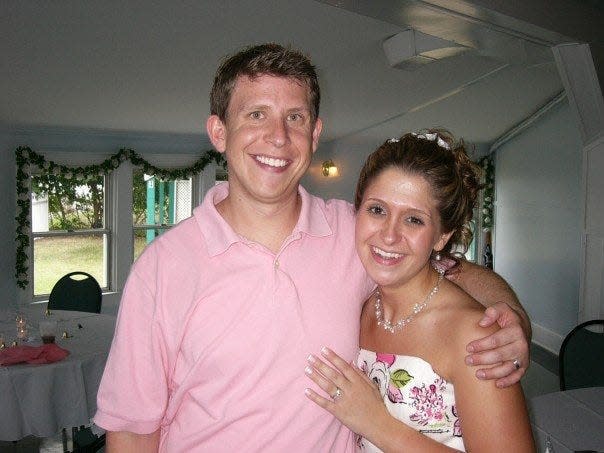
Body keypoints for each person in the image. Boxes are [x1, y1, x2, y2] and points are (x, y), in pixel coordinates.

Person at [94, 43, 530, 452]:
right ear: (219, 131)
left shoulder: (355, 234)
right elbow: (131, 429)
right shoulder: (162, 268)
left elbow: (442, 270)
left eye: (295, 118)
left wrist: (511, 322)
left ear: (316, 133)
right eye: (256, 115)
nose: (278, 137)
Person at [304, 131, 535, 452]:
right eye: (377, 210)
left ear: (441, 237)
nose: (389, 235)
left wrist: (378, 425)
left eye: (413, 219)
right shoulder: (362, 305)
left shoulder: (474, 336)